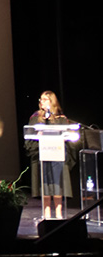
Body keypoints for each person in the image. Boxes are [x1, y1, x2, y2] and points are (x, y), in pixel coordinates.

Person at [25, 90, 74, 219]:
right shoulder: (35, 118)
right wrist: (37, 136)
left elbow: (68, 137)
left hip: (57, 156)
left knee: (58, 185)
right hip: (42, 155)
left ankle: (58, 213)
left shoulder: (61, 119)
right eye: (41, 99)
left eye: (45, 99)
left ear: (52, 101)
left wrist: (63, 138)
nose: (41, 101)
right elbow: (29, 138)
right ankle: (46, 213)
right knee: (45, 185)